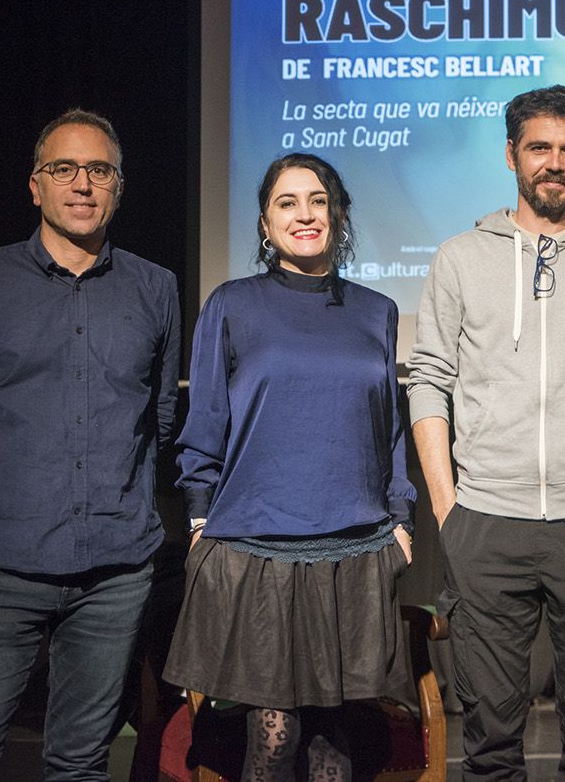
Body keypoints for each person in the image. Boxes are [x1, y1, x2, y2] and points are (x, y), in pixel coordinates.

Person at [408, 85, 565, 780]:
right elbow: (428, 381)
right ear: (512, 154)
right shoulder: (461, 257)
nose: (555, 162)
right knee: (489, 744)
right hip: (486, 522)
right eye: (540, 148)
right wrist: (446, 509)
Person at [0, 109, 180, 782]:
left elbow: (160, 411)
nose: (82, 184)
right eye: (62, 168)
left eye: (99, 170)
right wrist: (4, 487)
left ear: (118, 187)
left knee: (80, 763)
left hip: (114, 573)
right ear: (34, 185)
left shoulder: (155, 287)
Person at [164, 153, 415, 782]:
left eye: (317, 201)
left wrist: (402, 517)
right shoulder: (232, 304)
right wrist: (199, 518)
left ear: (338, 214)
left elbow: (390, 428)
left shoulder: (377, 310)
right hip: (258, 549)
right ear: (264, 223)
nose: (305, 214)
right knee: (273, 739)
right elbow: (207, 423)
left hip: (354, 548)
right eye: (287, 202)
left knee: (335, 743)